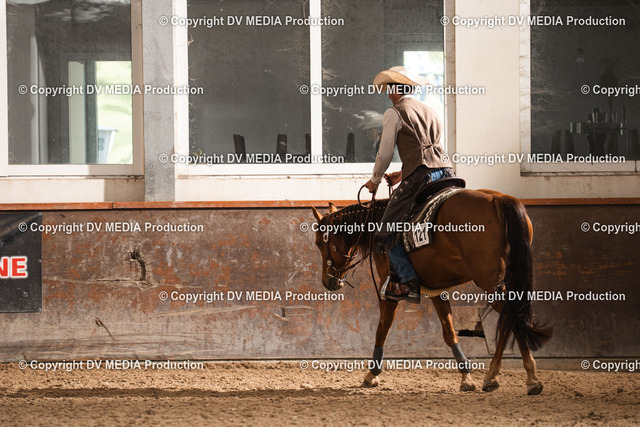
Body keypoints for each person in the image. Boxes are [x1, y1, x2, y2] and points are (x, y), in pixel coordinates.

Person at [364, 66, 454, 303]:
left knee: (384, 233)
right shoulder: (430, 110)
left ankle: (409, 282)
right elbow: (427, 151)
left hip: (421, 177)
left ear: (397, 88)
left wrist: (375, 180)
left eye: (389, 89)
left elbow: (384, 155)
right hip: (446, 172)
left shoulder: (394, 113)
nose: (387, 94)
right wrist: (402, 174)